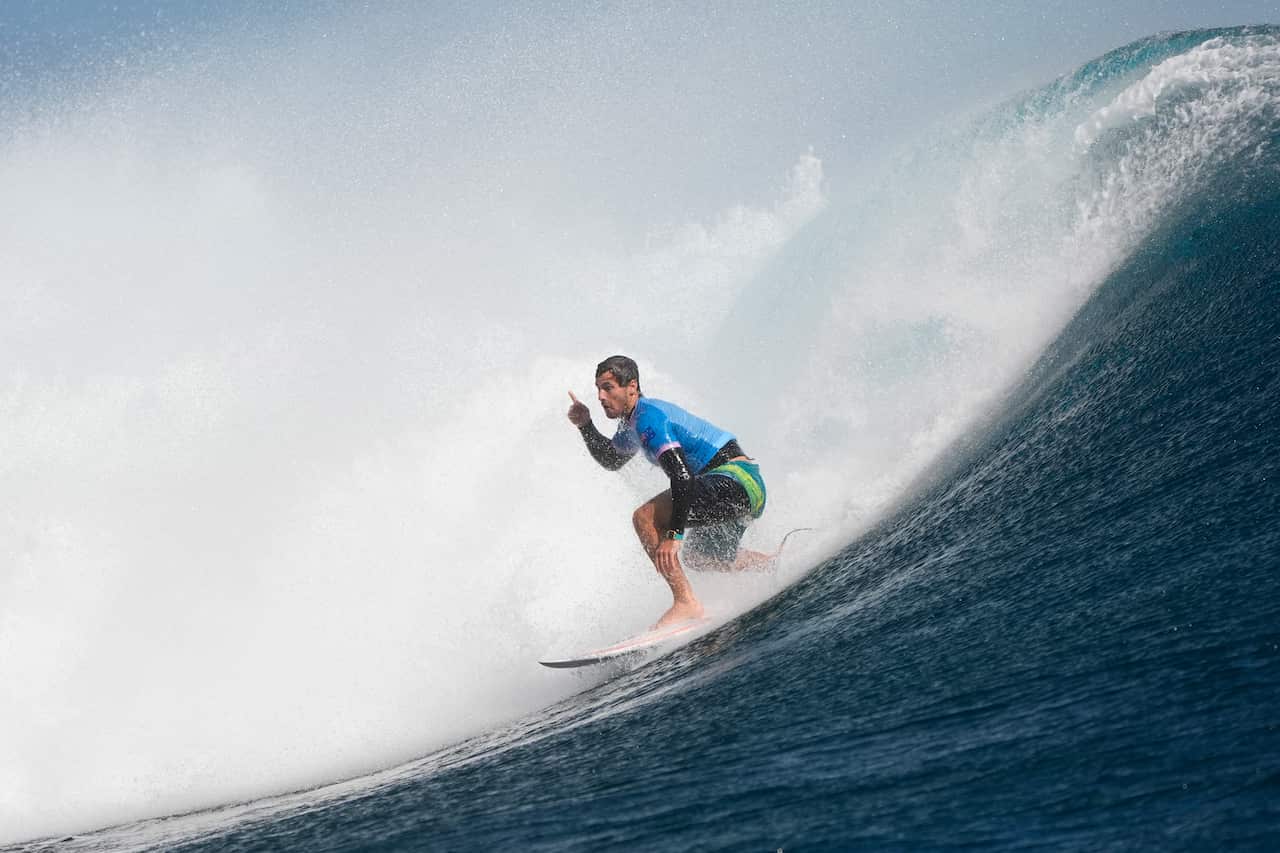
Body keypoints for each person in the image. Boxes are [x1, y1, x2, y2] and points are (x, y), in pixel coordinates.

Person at [567, 355, 770, 628]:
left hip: (736, 482)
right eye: (598, 389)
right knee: (701, 558)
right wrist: (585, 425)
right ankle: (769, 564)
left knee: (645, 518)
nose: (601, 397)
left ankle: (685, 602)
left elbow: (682, 476)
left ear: (632, 387)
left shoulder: (649, 418)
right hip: (747, 491)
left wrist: (674, 535)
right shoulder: (631, 425)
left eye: (608, 388)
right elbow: (612, 459)